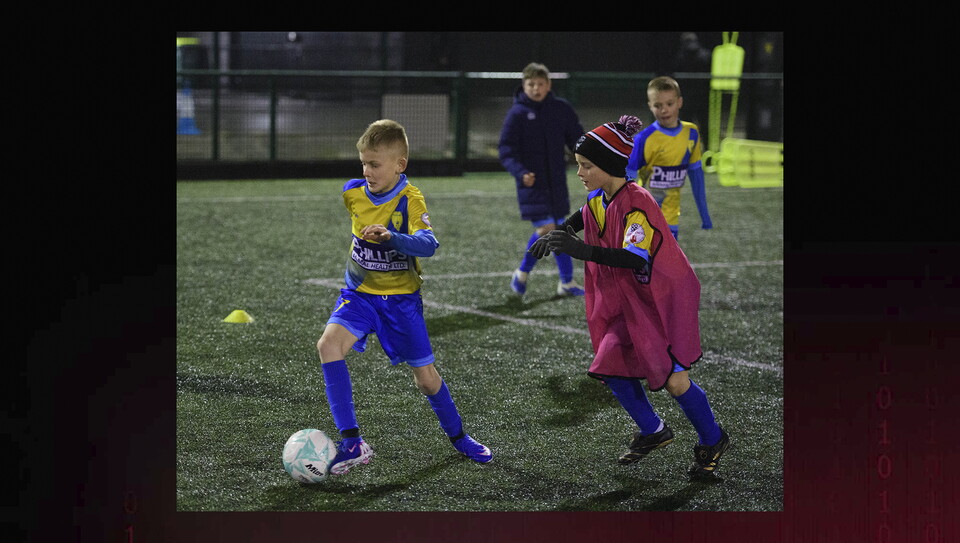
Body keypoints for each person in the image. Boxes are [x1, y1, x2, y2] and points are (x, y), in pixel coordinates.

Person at [529, 115, 729, 478]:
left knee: (674, 381)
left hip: (660, 303)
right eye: (579, 165)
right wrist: (557, 233)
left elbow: (632, 256)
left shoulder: (638, 202)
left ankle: (713, 439)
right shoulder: (601, 198)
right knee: (609, 366)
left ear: (609, 165)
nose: (580, 173)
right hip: (632, 303)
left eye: (587, 166)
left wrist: (579, 250)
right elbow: (583, 215)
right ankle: (654, 431)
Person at [316, 119, 492, 475]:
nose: (367, 171)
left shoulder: (409, 199)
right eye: (364, 162)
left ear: (400, 165)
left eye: (375, 164)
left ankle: (459, 437)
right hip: (360, 296)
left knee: (426, 379)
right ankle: (352, 443)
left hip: (401, 303)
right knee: (328, 346)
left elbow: (428, 244)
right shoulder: (352, 192)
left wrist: (391, 238)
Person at [498, 62, 586, 297]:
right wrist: (520, 172)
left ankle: (566, 283)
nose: (536, 88)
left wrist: (588, 158)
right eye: (531, 84)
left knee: (560, 230)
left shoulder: (560, 109)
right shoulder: (517, 114)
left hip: (556, 182)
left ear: (549, 85)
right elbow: (506, 150)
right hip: (532, 184)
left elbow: (577, 138)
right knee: (547, 228)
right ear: (524, 85)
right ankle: (522, 272)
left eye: (540, 83)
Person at [626, 76, 712, 240]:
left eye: (669, 104)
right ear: (650, 106)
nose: (664, 109)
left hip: (671, 218)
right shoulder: (643, 139)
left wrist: (704, 214)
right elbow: (626, 180)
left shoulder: (691, 133)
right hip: (644, 216)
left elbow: (696, 175)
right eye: (658, 105)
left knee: (666, 265)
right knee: (641, 264)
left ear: (679, 102)